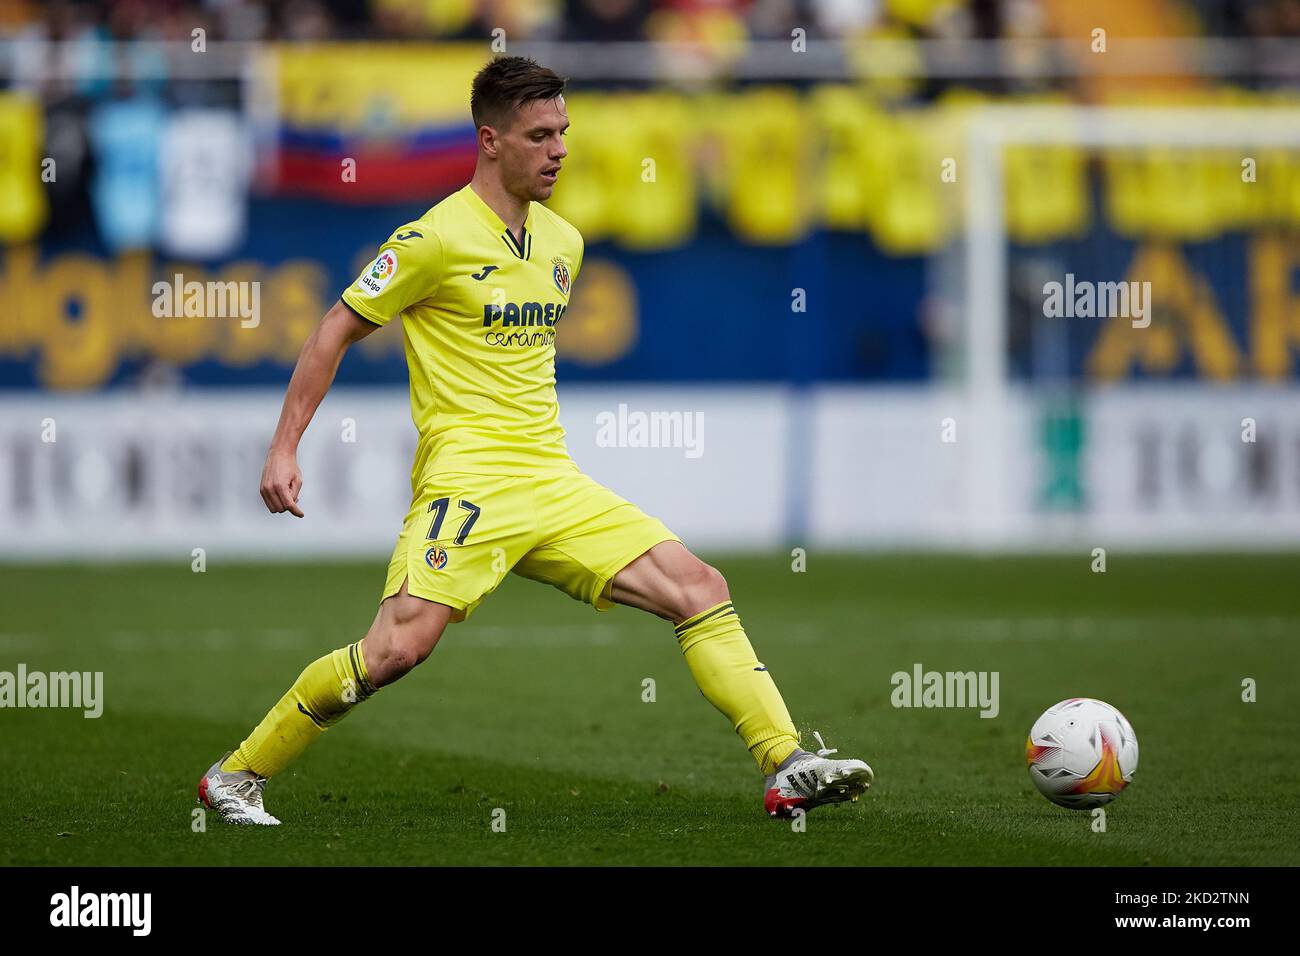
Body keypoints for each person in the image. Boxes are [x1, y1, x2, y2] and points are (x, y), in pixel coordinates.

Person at [198, 55, 872, 826]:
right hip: (469, 482)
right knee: (394, 651)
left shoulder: (562, 243)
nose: (558, 151)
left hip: (552, 479)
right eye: (539, 135)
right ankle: (237, 775)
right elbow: (333, 331)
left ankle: (788, 764)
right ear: (490, 140)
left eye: (564, 133)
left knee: (700, 588)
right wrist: (285, 448)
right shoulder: (431, 240)